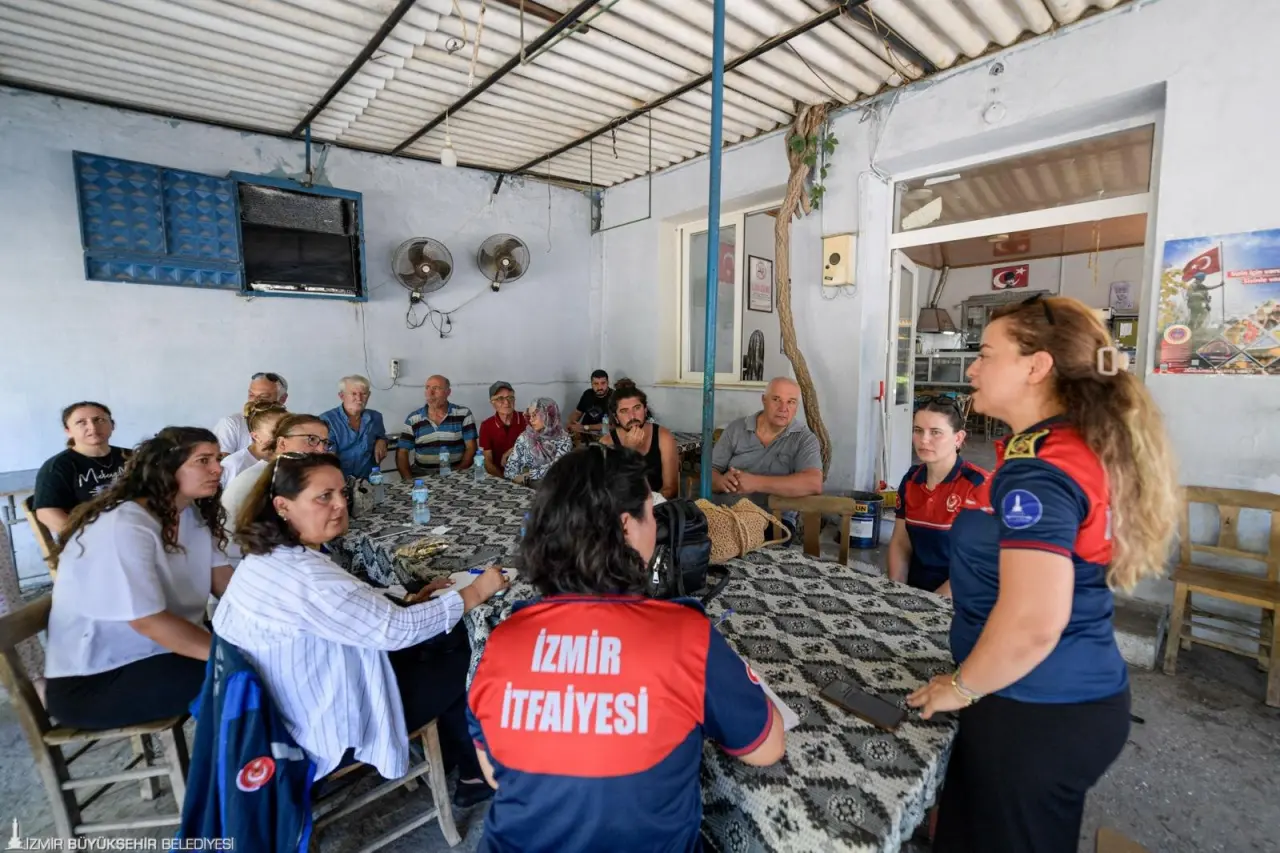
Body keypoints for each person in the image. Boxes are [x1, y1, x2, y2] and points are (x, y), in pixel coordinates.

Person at [907, 295, 1178, 852]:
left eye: (985, 354)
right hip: (1055, 699)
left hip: (1038, 709)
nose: (973, 368)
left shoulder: (1040, 469)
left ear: (1036, 367)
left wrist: (959, 687)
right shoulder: (1055, 447)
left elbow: (1033, 621)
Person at [468, 445, 786, 852]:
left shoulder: (501, 641)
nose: (657, 522)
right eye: (651, 511)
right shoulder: (685, 635)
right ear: (626, 527)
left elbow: (495, 773)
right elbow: (767, 747)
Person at [212, 452, 508, 807]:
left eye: (342, 493)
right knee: (470, 657)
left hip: (279, 706)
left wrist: (406, 598)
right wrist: (475, 592)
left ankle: (449, 744)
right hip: (319, 722)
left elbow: (347, 607)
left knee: (438, 639)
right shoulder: (309, 577)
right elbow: (396, 630)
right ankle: (474, 773)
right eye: (324, 497)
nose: (340, 505)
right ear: (282, 506)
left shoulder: (266, 557)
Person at [43, 427, 233, 729]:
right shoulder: (125, 525)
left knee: (274, 654)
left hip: (158, 652)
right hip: (99, 679)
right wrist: (231, 655)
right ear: (166, 469)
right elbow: (148, 622)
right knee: (248, 678)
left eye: (218, 458)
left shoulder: (188, 513)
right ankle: (246, 771)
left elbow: (225, 583)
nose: (217, 468)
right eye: (203, 460)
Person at [887, 399, 989, 597]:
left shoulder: (978, 485)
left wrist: (932, 603)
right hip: (915, 589)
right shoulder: (911, 479)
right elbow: (901, 541)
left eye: (935, 432)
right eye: (918, 430)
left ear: (958, 438)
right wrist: (896, 592)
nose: (924, 440)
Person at [710, 377, 823, 506]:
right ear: (764, 400)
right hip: (726, 512)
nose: (783, 408)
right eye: (776, 399)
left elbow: (813, 483)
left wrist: (756, 483)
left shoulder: (804, 439)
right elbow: (709, 472)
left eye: (791, 402)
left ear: (797, 406)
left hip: (776, 519)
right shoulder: (736, 429)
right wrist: (720, 481)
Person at [33, 401, 131, 537]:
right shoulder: (58, 466)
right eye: (81, 422)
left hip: (134, 529)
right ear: (68, 431)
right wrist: (86, 537)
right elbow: (47, 513)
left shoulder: (133, 457)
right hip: (90, 539)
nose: (92, 427)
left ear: (112, 425)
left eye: (99, 420)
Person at [221, 414, 331, 531]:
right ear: (282, 443)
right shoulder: (260, 479)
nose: (321, 450)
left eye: (325, 443)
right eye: (312, 439)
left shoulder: (286, 474)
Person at [599, 385, 678, 498]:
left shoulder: (663, 436)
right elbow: (606, 491)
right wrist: (627, 452)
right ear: (616, 417)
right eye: (624, 411)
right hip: (622, 509)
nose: (632, 416)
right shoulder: (606, 443)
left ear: (645, 410)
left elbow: (671, 488)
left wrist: (649, 508)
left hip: (659, 507)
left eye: (637, 408)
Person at [396, 375, 477, 478]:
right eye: (427, 388)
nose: (430, 393)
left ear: (448, 392)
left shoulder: (463, 414)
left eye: (436, 388)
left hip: (455, 475)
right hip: (422, 476)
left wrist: (457, 473)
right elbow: (402, 451)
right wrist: (408, 481)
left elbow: (471, 448)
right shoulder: (414, 419)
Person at [319, 375, 388, 480]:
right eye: (354, 393)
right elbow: (328, 458)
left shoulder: (375, 417)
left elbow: (382, 436)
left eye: (363, 394)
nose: (359, 398)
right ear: (342, 396)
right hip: (340, 482)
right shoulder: (327, 420)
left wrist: (381, 440)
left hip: (369, 481)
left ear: (368, 395)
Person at [214, 372, 288, 456]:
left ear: (283, 399)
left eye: (264, 397)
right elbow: (220, 465)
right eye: (251, 395)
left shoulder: (292, 426)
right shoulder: (230, 424)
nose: (255, 401)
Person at [503, 398, 572, 484]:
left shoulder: (563, 439)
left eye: (535, 415)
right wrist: (515, 478)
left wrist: (528, 475)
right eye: (530, 415)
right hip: (521, 485)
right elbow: (511, 466)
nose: (531, 420)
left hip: (551, 487)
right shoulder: (525, 436)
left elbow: (557, 467)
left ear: (548, 416)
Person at [219, 402, 287, 488]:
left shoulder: (289, 459)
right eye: (275, 432)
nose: (285, 436)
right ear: (256, 436)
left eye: (287, 429)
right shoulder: (234, 465)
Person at [478, 381, 527, 478]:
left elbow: (541, 446)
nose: (506, 402)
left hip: (526, 475)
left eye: (510, 397)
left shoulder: (527, 419)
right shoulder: (486, 426)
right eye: (500, 398)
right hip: (499, 476)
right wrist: (504, 481)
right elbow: (487, 461)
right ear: (492, 402)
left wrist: (513, 450)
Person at [567, 369, 612, 436]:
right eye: (596, 384)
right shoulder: (587, 394)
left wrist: (584, 427)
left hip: (603, 435)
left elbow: (609, 426)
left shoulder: (613, 397)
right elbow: (577, 412)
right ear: (591, 383)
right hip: (584, 433)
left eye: (603, 383)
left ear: (608, 382)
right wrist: (571, 423)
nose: (599, 387)